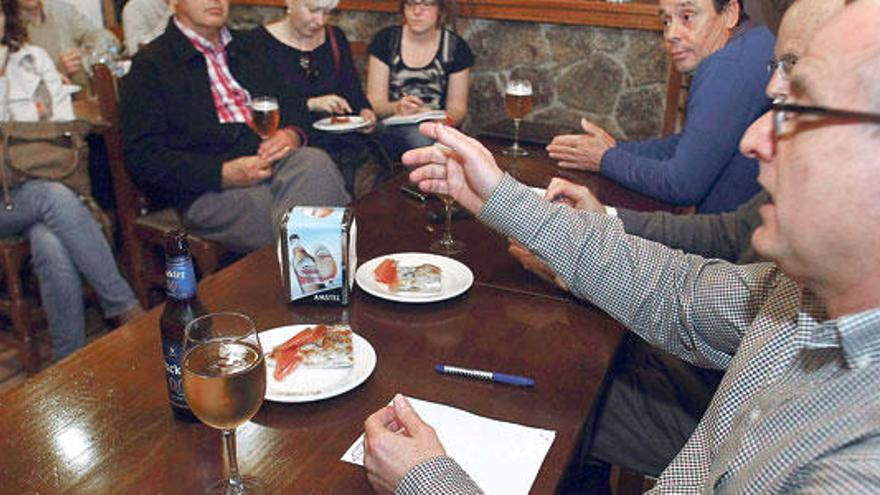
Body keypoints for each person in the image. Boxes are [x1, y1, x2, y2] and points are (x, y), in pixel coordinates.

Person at [365, 0, 880, 491]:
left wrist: (426, 482)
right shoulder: (803, 291)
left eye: (800, 107)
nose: (753, 140)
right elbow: (677, 292)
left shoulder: (859, 463)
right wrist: (500, 196)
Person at [120, 0, 350, 254]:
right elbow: (143, 156)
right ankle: (317, 287)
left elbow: (293, 103)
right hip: (209, 187)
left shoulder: (252, 46)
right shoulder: (150, 65)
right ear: (173, 2)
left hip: (273, 162)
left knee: (315, 163)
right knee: (311, 214)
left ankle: (306, 284)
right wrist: (222, 173)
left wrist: (291, 134)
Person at [0, 0, 141, 362]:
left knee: (50, 240)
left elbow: (64, 133)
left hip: (39, 185)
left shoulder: (30, 58)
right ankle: (125, 308)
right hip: (12, 200)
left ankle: (69, 361)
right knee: (54, 198)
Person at [547, 0, 773, 214]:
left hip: (734, 251)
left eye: (687, 16)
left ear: (730, 13)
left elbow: (683, 184)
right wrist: (615, 150)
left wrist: (605, 159)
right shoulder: (752, 45)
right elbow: (694, 144)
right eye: (666, 21)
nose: (671, 34)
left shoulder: (727, 66)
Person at [245, 0, 378, 194]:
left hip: (342, 147)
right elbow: (261, 105)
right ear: (290, 3)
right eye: (313, 10)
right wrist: (310, 104)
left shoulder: (335, 37)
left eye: (327, 12)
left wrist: (366, 112)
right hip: (291, 146)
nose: (320, 20)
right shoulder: (257, 42)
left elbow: (353, 92)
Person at [366, 0, 473, 161]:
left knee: (431, 138)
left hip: (437, 127)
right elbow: (374, 103)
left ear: (441, 9)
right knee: (419, 139)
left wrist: (438, 118)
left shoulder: (456, 48)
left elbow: (458, 110)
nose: (416, 11)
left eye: (426, 4)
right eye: (410, 4)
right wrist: (398, 107)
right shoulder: (386, 41)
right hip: (390, 127)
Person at [17, 0, 120, 90]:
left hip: (85, 99)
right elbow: (22, 87)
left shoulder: (62, 11)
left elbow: (109, 40)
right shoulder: (7, 29)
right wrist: (56, 72)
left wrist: (87, 57)